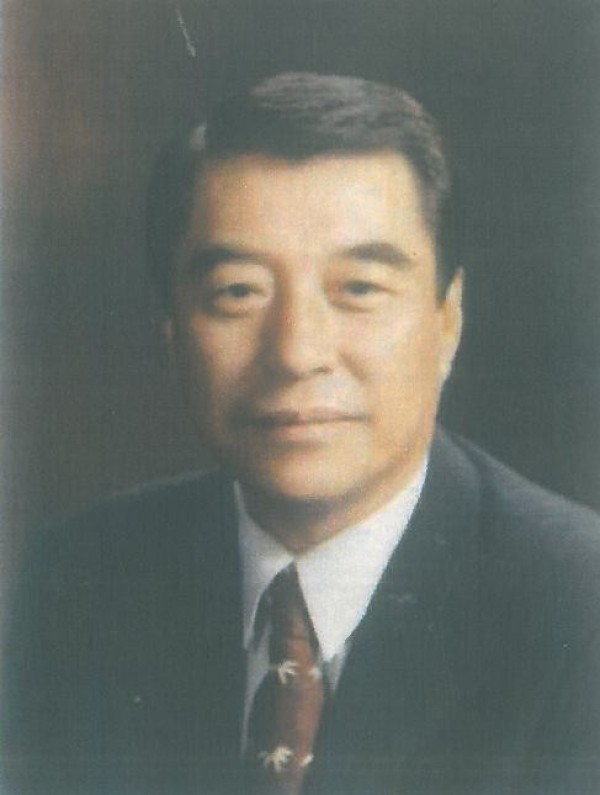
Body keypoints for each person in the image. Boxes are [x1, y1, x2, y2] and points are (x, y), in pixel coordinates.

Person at [3, 73, 600, 795]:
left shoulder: (577, 609)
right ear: (173, 332)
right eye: (239, 292)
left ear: (447, 321)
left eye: (359, 289)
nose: (295, 352)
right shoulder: (66, 585)